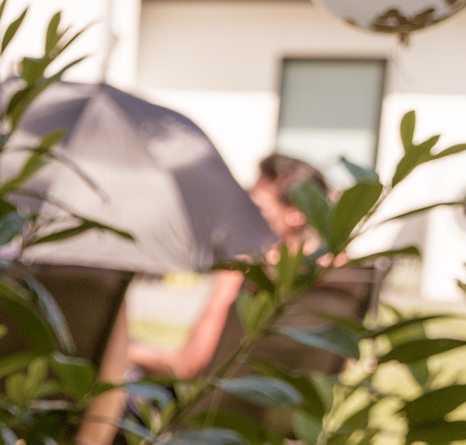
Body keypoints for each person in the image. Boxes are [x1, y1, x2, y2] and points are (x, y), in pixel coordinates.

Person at [127, 154, 327, 379]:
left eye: (256, 207)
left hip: (210, 404)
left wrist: (128, 353)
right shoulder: (338, 278)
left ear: (295, 215)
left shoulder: (243, 271)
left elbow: (186, 365)